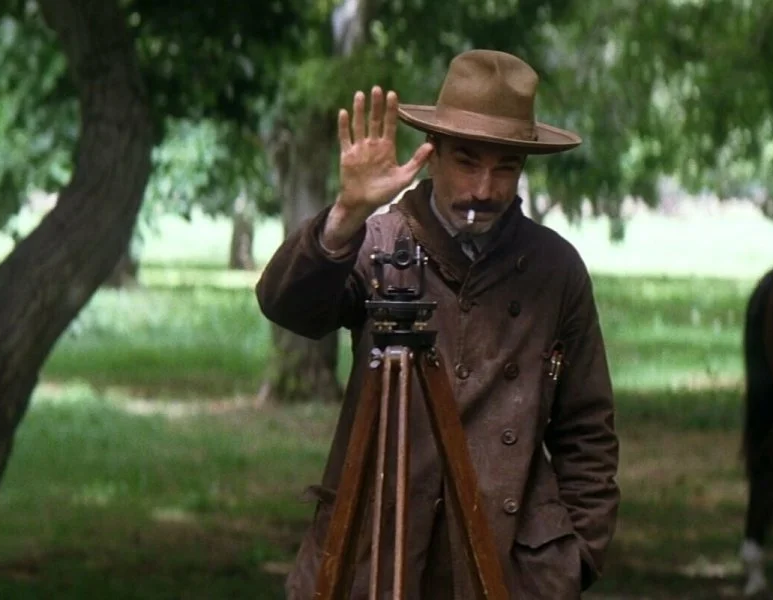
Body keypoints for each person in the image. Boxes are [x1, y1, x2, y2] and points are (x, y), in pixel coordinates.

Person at [256, 49, 620, 600]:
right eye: (467, 163)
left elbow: (587, 429)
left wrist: (575, 558)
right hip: (376, 557)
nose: (485, 189)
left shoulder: (556, 268)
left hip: (509, 567)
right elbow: (287, 306)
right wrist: (346, 215)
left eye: (505, 167)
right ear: (432, 153)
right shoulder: (380, 240)